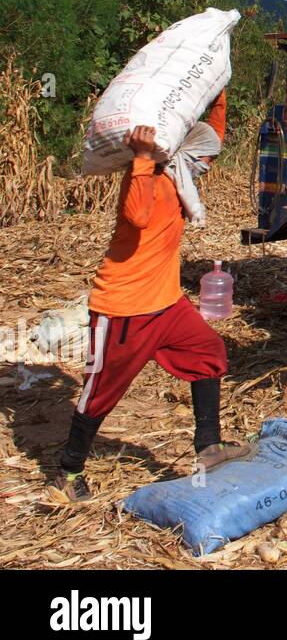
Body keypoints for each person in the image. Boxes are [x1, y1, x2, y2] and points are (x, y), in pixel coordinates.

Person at [55, 92, 247, 501]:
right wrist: (141, 156)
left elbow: (212, 139)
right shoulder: (141, 176)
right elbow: (136, 217)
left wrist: (217, 94)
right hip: (124, 308)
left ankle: (208, 447)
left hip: (167, 303)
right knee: (101, 389)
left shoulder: (181, 173)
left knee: (208, 350)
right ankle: (68, 470)